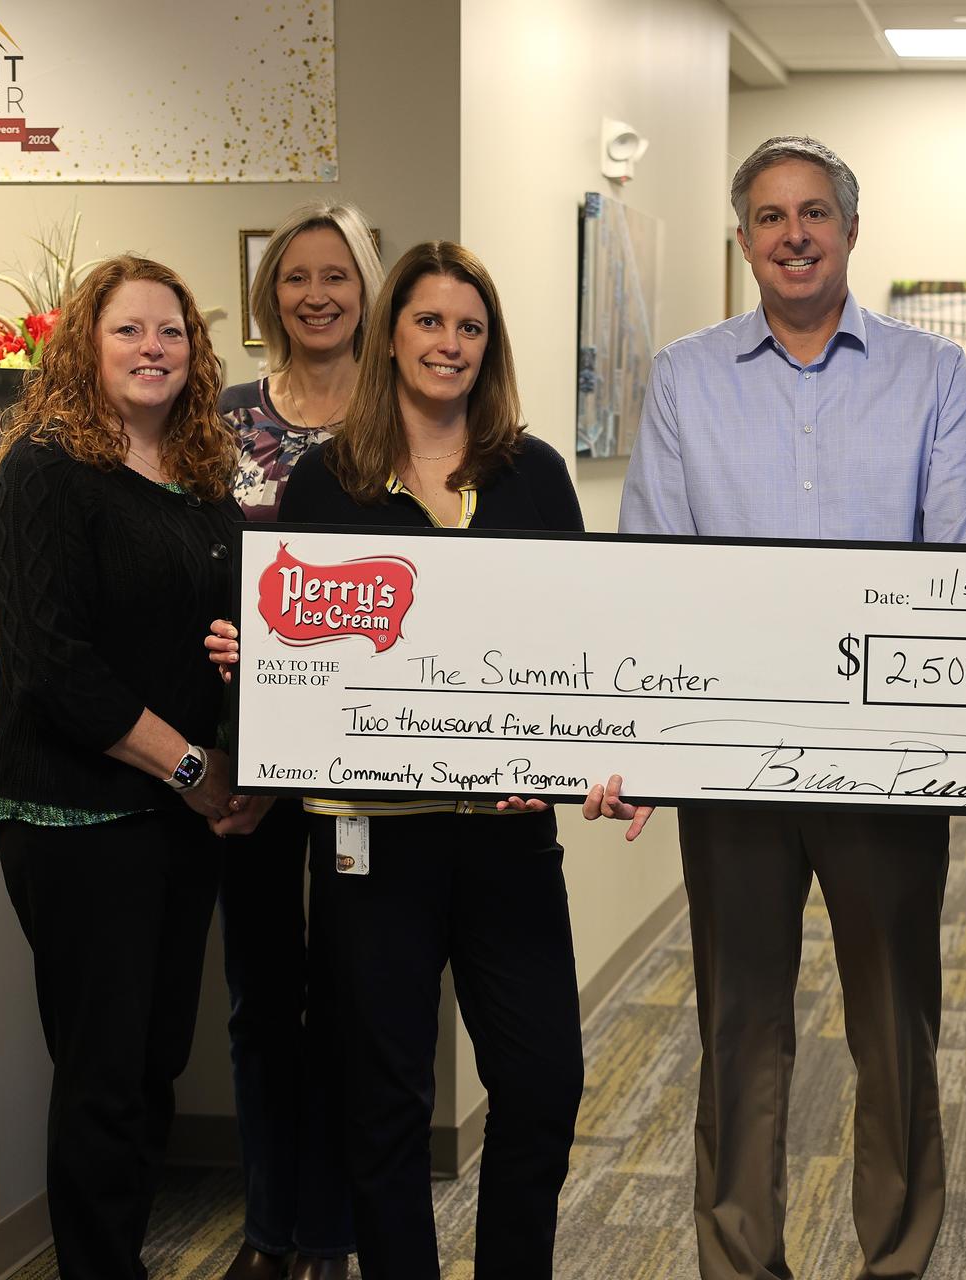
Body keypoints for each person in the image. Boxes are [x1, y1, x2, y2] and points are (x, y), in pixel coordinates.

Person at [619, 135, 966, 1280]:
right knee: (738, 1022)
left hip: (887, 766)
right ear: (742, 238)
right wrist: (639, 742)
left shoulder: (931, 376)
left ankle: (894, 1256)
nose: (792, 233)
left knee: (894, 1026)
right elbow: (653, 565)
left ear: (849, 229)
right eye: (769, 216)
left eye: (814, 214)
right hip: (731, 764)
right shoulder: (689, 376)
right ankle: (739, 1259)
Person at [211, 241, 604, 1279]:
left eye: (470, 327)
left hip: (506, 835)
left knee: (542, 1083)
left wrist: (593, 752)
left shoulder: (532, 477)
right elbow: (294, 641)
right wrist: (268, 664)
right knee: (382, 1098)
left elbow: (578, 644)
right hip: (367, 840)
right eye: (430, 322)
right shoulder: (327, 484)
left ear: (491, 346)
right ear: (393, 335)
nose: (450, 343)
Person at [0, 254, 241, 1279]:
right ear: (85, 343)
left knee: (152, 1065)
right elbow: (56, 668)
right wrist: (195, 767)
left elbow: (212, 634)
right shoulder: (43, 473)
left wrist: (233, 743)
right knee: (102, 1075)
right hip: (77, 817)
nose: (152, 350)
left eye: (170, 332)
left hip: (175, 819)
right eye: (128, 330)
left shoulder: (200, 475)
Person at [216, 201, 382, 1280]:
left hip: (365, 743)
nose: (315, 295)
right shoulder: (221, 415)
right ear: (269, 292)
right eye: (294, 277)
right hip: (247, 746)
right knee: (261, 993)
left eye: (336, 276)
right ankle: (269, 1227)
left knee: (356, 991)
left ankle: (331, 1226)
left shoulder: (400, 410)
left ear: (368, 288)